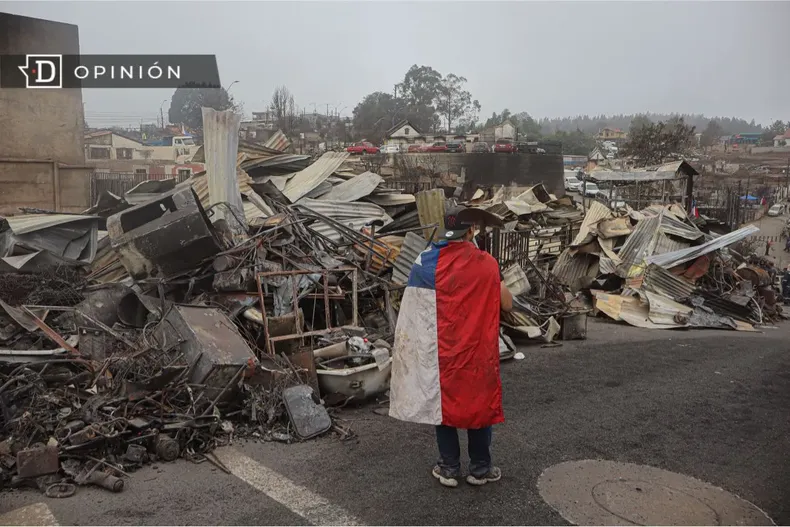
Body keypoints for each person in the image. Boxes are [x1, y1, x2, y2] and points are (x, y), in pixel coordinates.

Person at [389, 205, 514, 488]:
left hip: (440, 352)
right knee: (479, 407)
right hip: (478, 352)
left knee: (441, 405)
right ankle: (480, 469)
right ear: (471, 230)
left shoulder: (424, 262)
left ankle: (448, 467)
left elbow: (413, 311)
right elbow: (507, 304)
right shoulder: (487, 264)